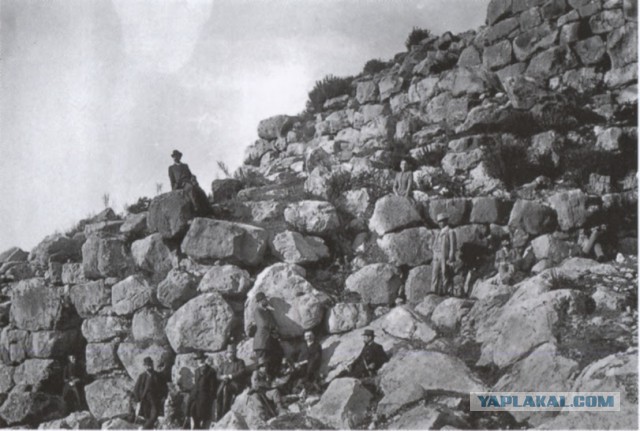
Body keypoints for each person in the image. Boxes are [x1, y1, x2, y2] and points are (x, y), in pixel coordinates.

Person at [168, 150, 210, 215]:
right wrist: (174, 189)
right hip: (180, 184)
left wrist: (193, 180)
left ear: (180, 157)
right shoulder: (171, 168)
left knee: (200, 190)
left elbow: (190, 175)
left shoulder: (185, 166)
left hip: (189, 181)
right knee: (190, 188)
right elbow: (172, 180)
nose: (175, 158)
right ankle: (197, 209)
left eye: (177, 156)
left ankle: (208, 209)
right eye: (174, 156)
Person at [252, 292, 282, 377]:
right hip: (261, 341)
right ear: (260, 301)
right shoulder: (257, 311)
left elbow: (274, 323)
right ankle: (262, 381)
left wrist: (275, 328)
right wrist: (272, 327)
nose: (266, 300)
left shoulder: (268, 311)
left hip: (270, 340)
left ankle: (274, 377)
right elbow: (263, 324)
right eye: (265, 299)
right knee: (263, 363)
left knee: (277, 356)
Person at [215, 344, 246, 421]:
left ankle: (225, 413)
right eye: (229, 352)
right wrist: (222, 377)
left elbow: (242, 372)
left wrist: (230, 376)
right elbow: (218, 374)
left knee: (226, 390)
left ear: (235, 353)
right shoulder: (223, 364)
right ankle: (219, 415)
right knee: (219, 393)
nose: (231, 354)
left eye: (232, 352)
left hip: (236, 384)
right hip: (224, 383)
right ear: (227, 354)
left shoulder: (240, 362)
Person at [187, 352, 217, 429]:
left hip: (204, 396)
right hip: (195, 395)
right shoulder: (197, 370)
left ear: (204, 359)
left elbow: (212, 387)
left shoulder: (211, 371)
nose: (199, 361)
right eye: (198, 359)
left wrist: (210, 398)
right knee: (191, 411)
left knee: (200, 414)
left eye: (201, 359)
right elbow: (196, 384)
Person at [133, 357, 165, 430]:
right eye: (147, 365)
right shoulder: (142, 377)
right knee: (147, 416)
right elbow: (136, 389)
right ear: (144, 366)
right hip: (144, 400)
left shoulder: (158, 376)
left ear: (152, 364)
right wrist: (138, 400)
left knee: (154, 415)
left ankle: (144, 428)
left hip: (155, 400)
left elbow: (164, 388)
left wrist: (163, 397)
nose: (149, 367)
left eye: (150, 364)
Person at [431, 213, 457, 296]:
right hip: (437, 255)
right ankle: (433, 289)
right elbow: (435, 243)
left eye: (442, 221)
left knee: (445, 272)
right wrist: (434, 251)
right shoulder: (439, 232)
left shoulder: (450, 231)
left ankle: (446, 290)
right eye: (439, 222)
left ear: (446, 221)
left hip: (444, 255)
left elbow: (453, 246)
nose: (440, 223)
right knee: (435, 272)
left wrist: (451, 256)